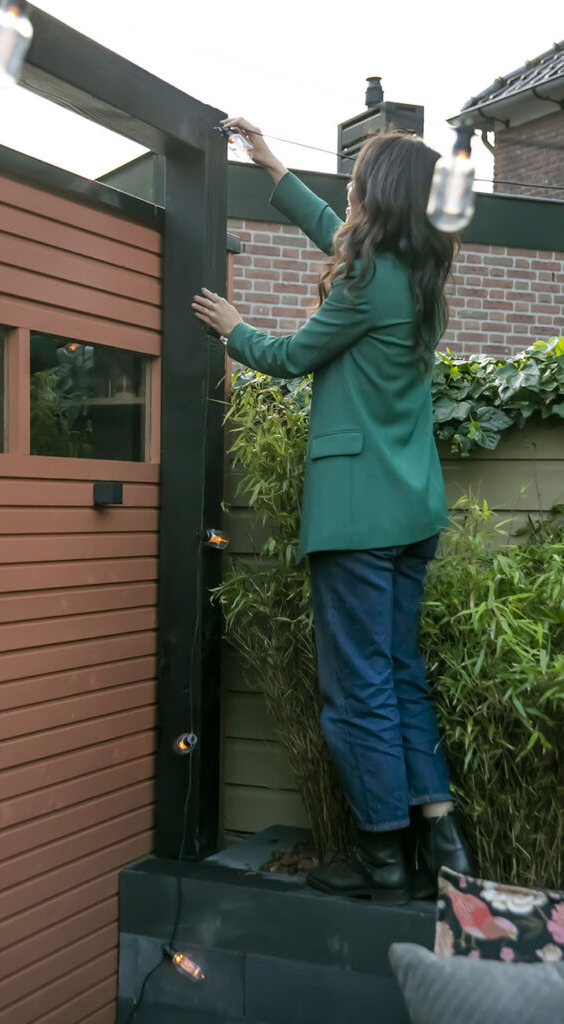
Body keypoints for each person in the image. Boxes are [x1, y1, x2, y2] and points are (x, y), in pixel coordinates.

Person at [192, 117, 473, 904]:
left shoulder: (366, 280)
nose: (345, 192)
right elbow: (339, 236)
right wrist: (271, 164)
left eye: (355, 181)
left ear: (375, 197)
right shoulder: (418, 274)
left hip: (356, 519)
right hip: (411, 512)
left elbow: (286, 359)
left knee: (357, 694)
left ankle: (382, 860)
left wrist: (232, 328)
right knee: (397, 678)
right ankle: (439, 846)